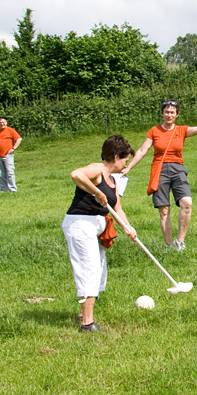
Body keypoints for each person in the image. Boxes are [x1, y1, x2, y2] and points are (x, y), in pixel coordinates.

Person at [122, 99, 197, 251]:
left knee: (187, 203)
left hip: (178, 170)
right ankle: (169, 246)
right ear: (162, 113)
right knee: (164, 210)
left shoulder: (181, 130)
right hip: (160, 170)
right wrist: (128, 167)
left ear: (177, 115)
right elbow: (143, 150)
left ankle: (180, 242)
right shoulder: (154, 131)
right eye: (166, 112)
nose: (169, 115)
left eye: (172, 112)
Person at [62, 135, 138, 332]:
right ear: (115, 157)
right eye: (125, 160)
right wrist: (95, 191)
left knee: (100, 270)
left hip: (97, 227)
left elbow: (118, 208)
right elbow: (76, 174)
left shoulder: (114, 180)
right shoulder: (97, 169)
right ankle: (87, 324)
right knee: (90, 269)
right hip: (80, 225)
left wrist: (128, 227)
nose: (125, 164)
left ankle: (81, 315)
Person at [0, 116, 22, 193]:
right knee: (1, 174)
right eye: (0, 122)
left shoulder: (10, 130)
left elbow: (19, 139)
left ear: (6, 122)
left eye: (3, 122)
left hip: (8, 155)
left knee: (10, 173)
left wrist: (13, 148)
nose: (2, 124)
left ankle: (13, 190)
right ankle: (4, 190)